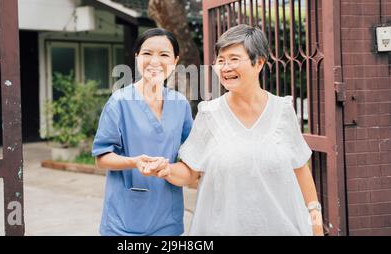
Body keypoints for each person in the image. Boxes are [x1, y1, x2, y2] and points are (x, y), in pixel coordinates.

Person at [155, 24, 324, 236]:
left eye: (234, 59)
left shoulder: (282, 111)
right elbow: (190, 171)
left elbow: (301, 169)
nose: (225, 68)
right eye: (221, 60)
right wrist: (167, 170)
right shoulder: (209, 114)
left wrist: (316, 223)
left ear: (259, 62)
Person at [92, 28, 193, 236]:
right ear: (137, 57)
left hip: (168, 219)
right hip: (124, 221)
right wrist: (134, 162)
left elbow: (190, 158)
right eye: (147, 53)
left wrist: (169, 168)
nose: (155, 61)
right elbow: (101, 158)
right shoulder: (119, 102)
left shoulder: (180, 104)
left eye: (164, 54)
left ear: (175, 60)